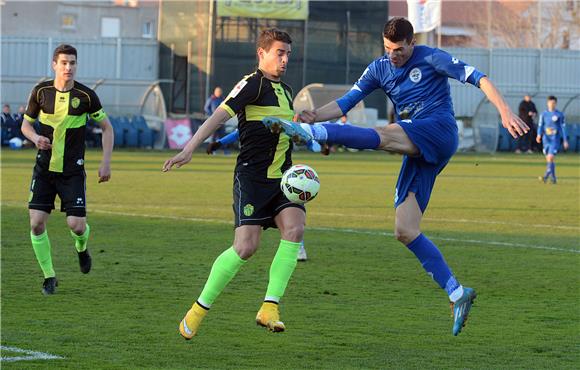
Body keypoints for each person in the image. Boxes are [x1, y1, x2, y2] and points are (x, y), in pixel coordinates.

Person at [265, 17, 529, 336]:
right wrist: (315, 113)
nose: (393, 55)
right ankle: (458, 294)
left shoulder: (431, 56)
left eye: (399, 50)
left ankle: (312, 133)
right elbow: (348, 101)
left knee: (385, 135)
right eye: (388, 48)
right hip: (416, 141)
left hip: (439, 130)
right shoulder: (379, 67)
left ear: (412, 44)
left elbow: (479, 78)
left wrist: (504, 111)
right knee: (405, 229)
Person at [163, 28, 307, 339]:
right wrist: (190, 147)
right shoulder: (251, 85)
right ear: (262, 54)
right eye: (279, 53)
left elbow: (282, 131)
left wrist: (299, 131)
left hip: (283, 178)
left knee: (295, 229)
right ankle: (198, 309)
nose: (284, 59)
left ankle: (270, 307)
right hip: (252, 179)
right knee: (246, 247)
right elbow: (219, 115)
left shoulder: (287, 90)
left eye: (288, 54)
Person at [20, 44, 114, 295]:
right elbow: (25, 126)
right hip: (44, 169)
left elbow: (107, 128)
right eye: (63, 63)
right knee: (37, 224)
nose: (68, 67)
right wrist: (34, 138)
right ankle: (49, 276)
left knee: (77, 226)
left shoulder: (86, 96)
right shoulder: (41, 92)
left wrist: (106, 161)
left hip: (72, 171)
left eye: (72, 63)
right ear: (54, 65)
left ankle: (82, 249)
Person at [207, 128, 310, 262]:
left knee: (293, 221)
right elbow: (239, 132)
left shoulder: (288, 120)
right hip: (254, 177)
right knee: (246, 246)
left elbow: (305, 135)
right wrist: (220, 143)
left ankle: (298, 247)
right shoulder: (258, 117)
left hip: (283, 175)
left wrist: (317, 145)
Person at [536, 96, 568, 184]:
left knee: (550, 157)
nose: (552, 104)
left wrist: (565, 140)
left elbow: (563, 127)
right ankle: (553, 178)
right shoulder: (544, 114)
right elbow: (540, 126)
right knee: (549, 160)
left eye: (553, 103)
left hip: (555, 139)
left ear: (556, 104)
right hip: (546, 139)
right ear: (547, 103)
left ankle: (546, 176)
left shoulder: (559, 115)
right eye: (550, 102)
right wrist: (539, 135)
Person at [204, 87, 227, 152]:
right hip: (214, 121)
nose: (219, 93)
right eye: (218, 91)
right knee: (213, 136)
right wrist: (212, 115)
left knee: (223, 135)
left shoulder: (223, 99)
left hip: (222, 120)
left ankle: (224, 150)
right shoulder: (211, 99)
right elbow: (206, 108)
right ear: (215, 92)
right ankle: (211, 150)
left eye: (220, 91)